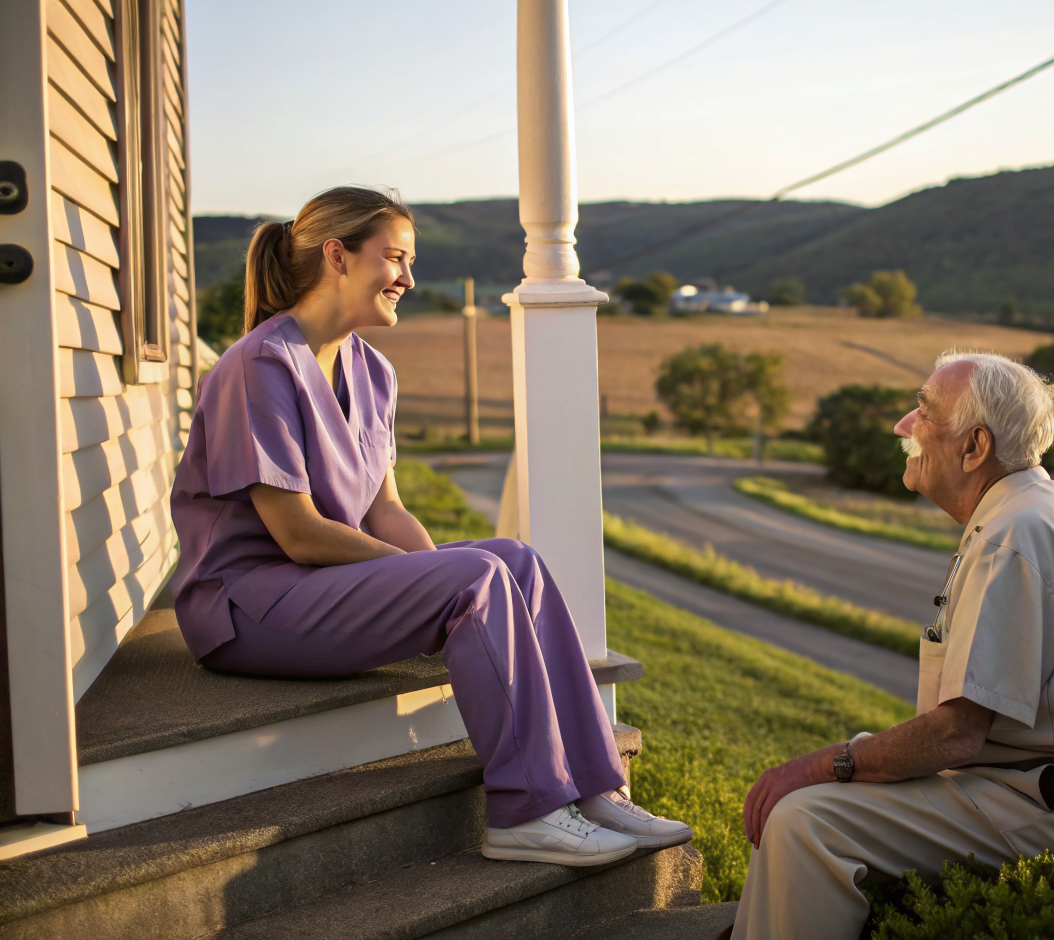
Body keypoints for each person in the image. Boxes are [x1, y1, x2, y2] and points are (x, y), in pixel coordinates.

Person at [170, 186, 691, 867]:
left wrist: (434, 576)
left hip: (320, 588)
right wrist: (437, 580)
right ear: (338, 256)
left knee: (514, 561)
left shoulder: (372, 369)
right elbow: (297, 534)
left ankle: (594, 786)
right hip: (248, 607)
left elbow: (385, 508)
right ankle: (525, 811)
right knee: (476, 573)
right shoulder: (258, 367)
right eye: (394, 259)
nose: (408, 279)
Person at [726, 352, 1054, 940]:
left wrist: (829, 763)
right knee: (814, 805)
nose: (903, 425)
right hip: (1052, 793)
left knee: (808, 819)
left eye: (925, 411)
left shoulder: (1015, 532)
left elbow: (957, 732)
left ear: (974, 447)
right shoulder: (1039, 510)